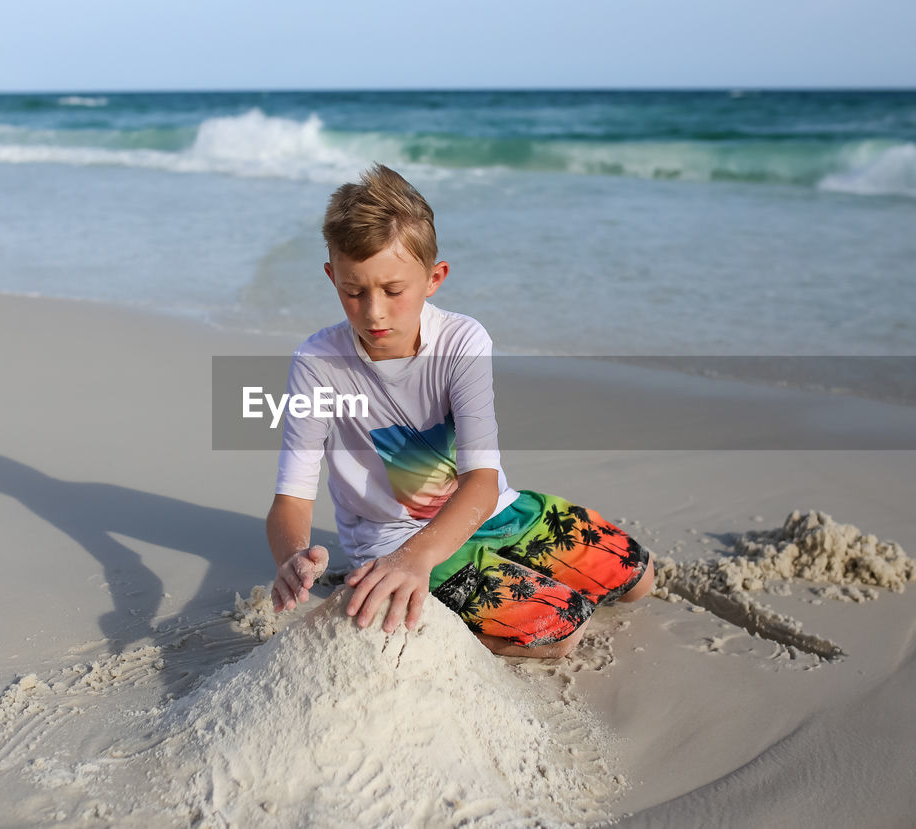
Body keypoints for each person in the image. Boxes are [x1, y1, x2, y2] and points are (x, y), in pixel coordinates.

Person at [266, 163, 653, 659]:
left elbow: (481, 481)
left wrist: (421, 555)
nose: (373, 311)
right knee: (561, 634)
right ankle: (429, 622)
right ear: (332, 277)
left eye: (393, 290)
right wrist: (293, 556)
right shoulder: (317, 363)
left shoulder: (463, 341)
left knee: (639, 578)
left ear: (433, 278)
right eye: (353, 291)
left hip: (489, 510)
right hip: (393, 540)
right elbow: (290, 501)